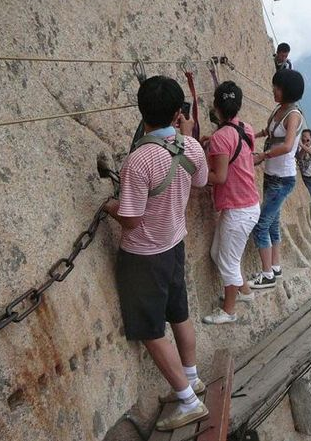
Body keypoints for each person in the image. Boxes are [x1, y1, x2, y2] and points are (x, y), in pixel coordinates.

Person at [104, 76, 209, 431]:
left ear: (141, 110)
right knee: (179, 313)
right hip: (174, 243)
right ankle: (191, 378)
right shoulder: (191, 148)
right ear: (178, 112)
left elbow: (131, 221)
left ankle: (188, 400)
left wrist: (109, 207)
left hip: (144, 255)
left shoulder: (139, 160)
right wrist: (188, 135)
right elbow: (201, 182)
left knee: (150, 330)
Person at [202, 81, 260, 325]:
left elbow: (220, 177)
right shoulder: (246, 129)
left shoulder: (219, 138)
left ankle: (228, 311)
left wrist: (196, 175)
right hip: (247, 204)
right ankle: (244, 292)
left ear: (216, 107)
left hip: (239, 210)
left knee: (228, 261)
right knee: (218, 253)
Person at [249, 69, 305, 289]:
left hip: (283, 178)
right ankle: (275, 267)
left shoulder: (293, 115)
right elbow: (270, 132)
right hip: (273, 175)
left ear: (287, 90)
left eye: (277, 87)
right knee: (272, 223)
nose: (274, 89)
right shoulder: (279, 110)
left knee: (261, 226)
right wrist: (252, 134)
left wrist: (263, 156)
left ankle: (267, 275)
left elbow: (288, 145)